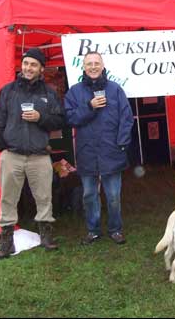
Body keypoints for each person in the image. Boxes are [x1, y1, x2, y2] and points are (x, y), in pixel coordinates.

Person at [0, 47, 65, 259]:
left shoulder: (49, 93)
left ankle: (46, 237)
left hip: (39, 155)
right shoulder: (8, 91)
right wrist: (3, 146)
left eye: (33, 64)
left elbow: (60, 120)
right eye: (26, 63)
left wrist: (40, 117)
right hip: (12, 155)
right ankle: (6, 242)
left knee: (44, 197)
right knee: (8, 198)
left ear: (41, 68)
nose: (28, 68)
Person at [65, 51, 134, 245]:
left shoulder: (115, 90)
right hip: (87, 151)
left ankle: (115, 229)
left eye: (96, 63)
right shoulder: (75, 91)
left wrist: (121, 143)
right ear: (84, 67)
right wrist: (89, 106)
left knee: (113, 195)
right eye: (89, 64)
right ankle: (93, 230)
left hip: (111, 151)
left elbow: (126, 119)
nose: (93, 67)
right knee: (89, 195)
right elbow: (70, 118)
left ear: (103, 66)